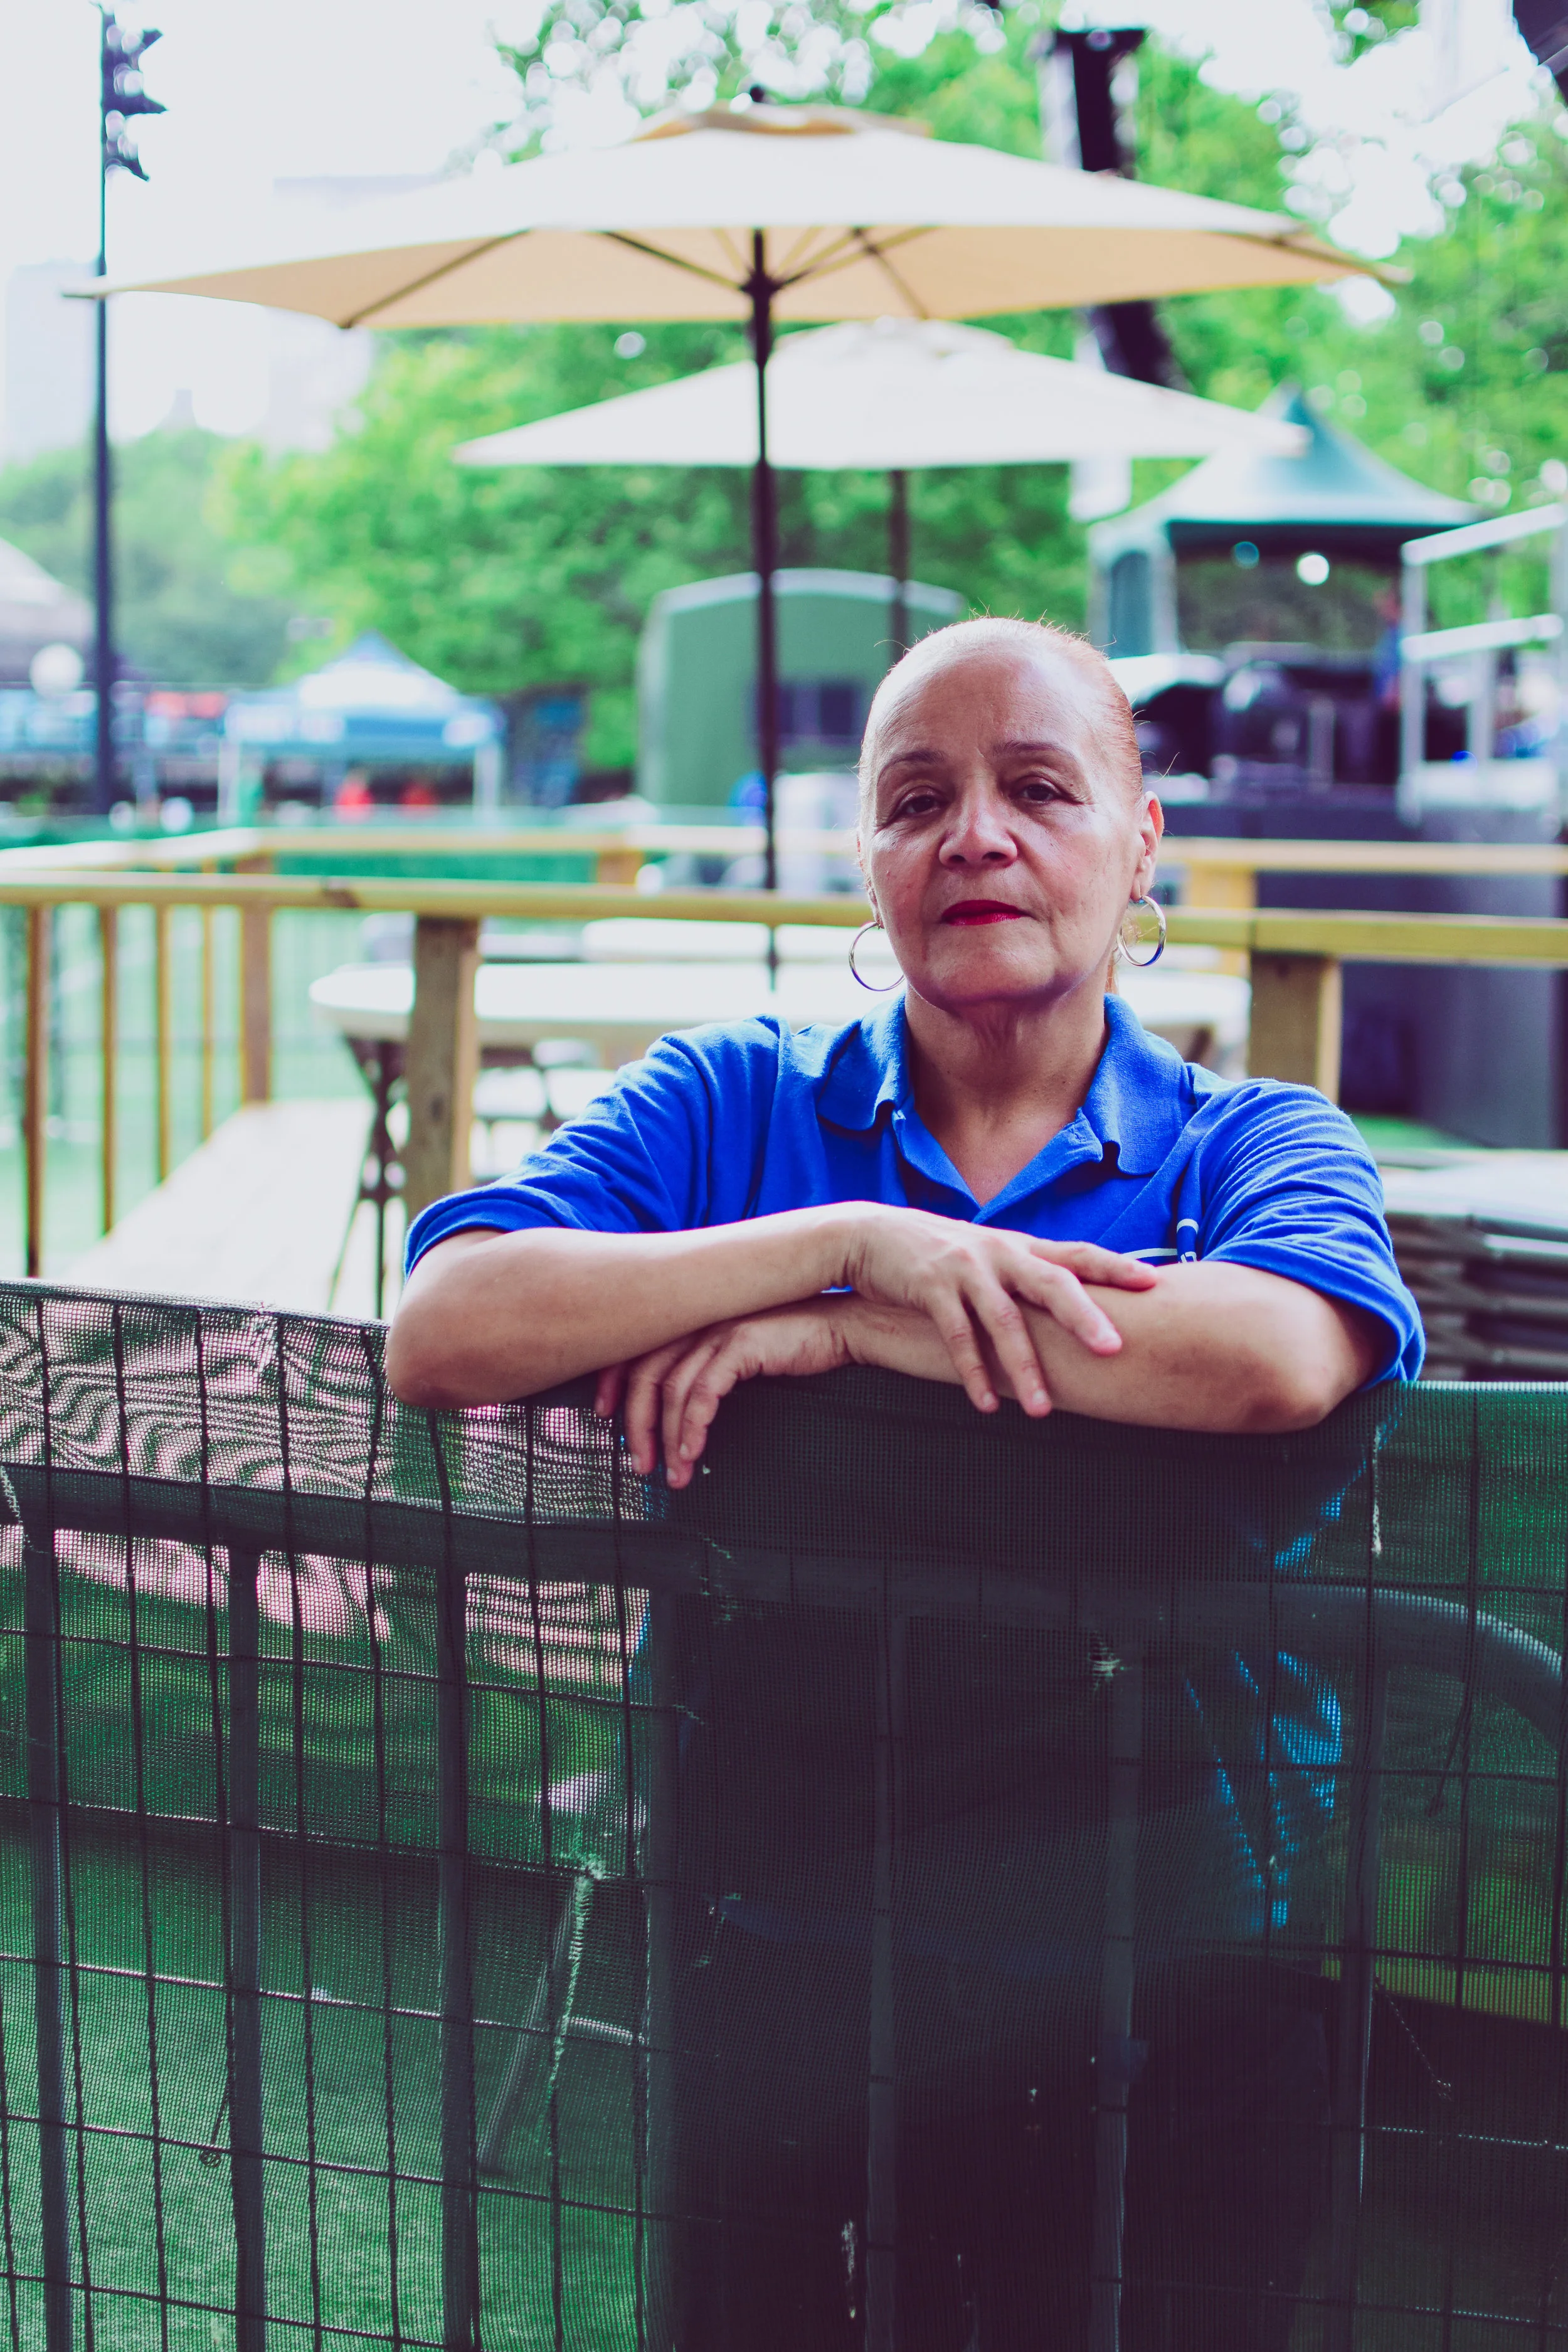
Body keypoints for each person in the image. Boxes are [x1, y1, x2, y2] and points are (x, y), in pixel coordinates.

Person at [388, 618, 1423, 2349]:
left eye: (1037, 788)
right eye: (915, 798)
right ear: (865, 857)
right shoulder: (730, 1102)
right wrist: (846, 1245)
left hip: (1163, 1954)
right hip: (777, 1922)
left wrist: (847, 1336)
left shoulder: (1259, 1142)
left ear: (1136, 836)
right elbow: (448, 1320)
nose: (976, 838)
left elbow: (1271, 1357)